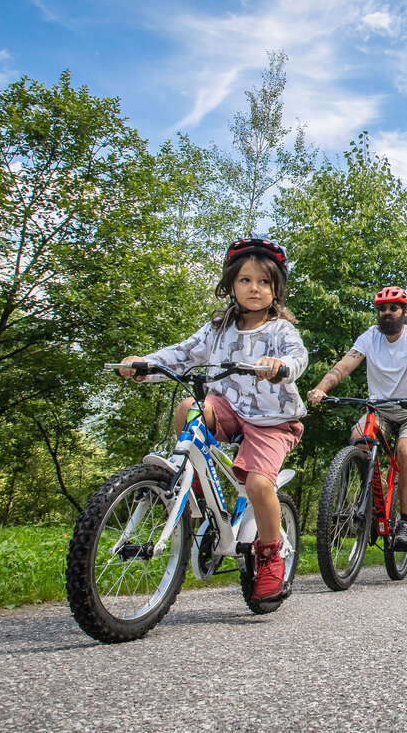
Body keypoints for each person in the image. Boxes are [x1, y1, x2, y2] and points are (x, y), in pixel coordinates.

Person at [117, 236, 307, 603]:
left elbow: (299, 358)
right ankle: (198, 491)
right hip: (230, 409)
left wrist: (279, 366)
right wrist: (146, 364)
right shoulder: (218, 328)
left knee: (257, 483)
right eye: (245, 280)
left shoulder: (281, 330)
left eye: (265, 282)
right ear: (231, 285)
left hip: (273, 419)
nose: (255, 289)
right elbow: (182, 354)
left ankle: (268, 556)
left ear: (277, 289)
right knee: (188, 405)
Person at [306, 286, 407, 550]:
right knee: (358, 439)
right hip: (379, 408)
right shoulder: (370, 337)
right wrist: (321, 388)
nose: (387, 313)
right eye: (382, 309)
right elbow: (344, 365)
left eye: (393, 308)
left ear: (405, 312)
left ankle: (406, 522)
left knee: (405, 449)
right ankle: (366, 497)